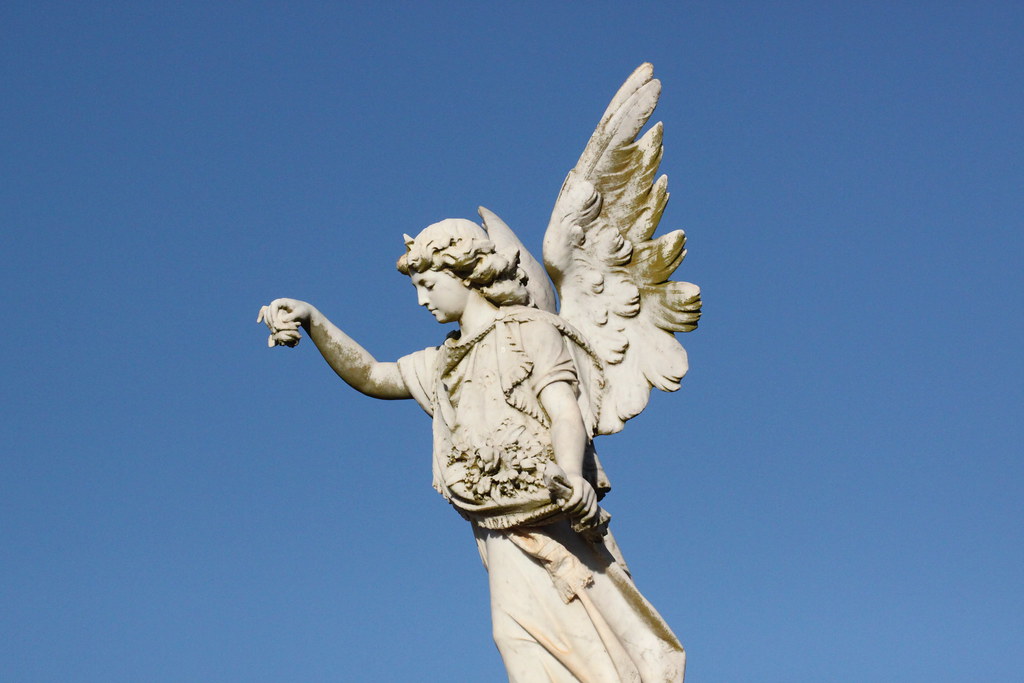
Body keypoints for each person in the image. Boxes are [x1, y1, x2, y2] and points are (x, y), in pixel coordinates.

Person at [259, 218, 685, 682]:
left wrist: (571, 478)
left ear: (463, 271)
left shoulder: (530, 331)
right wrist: (313, 319)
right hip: (498, 527)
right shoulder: (444, 362)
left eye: (428, 284)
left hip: (554, 513)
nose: (422, 300)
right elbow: (374, 376)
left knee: (590, 636)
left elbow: (565, 410)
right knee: (514, 636)